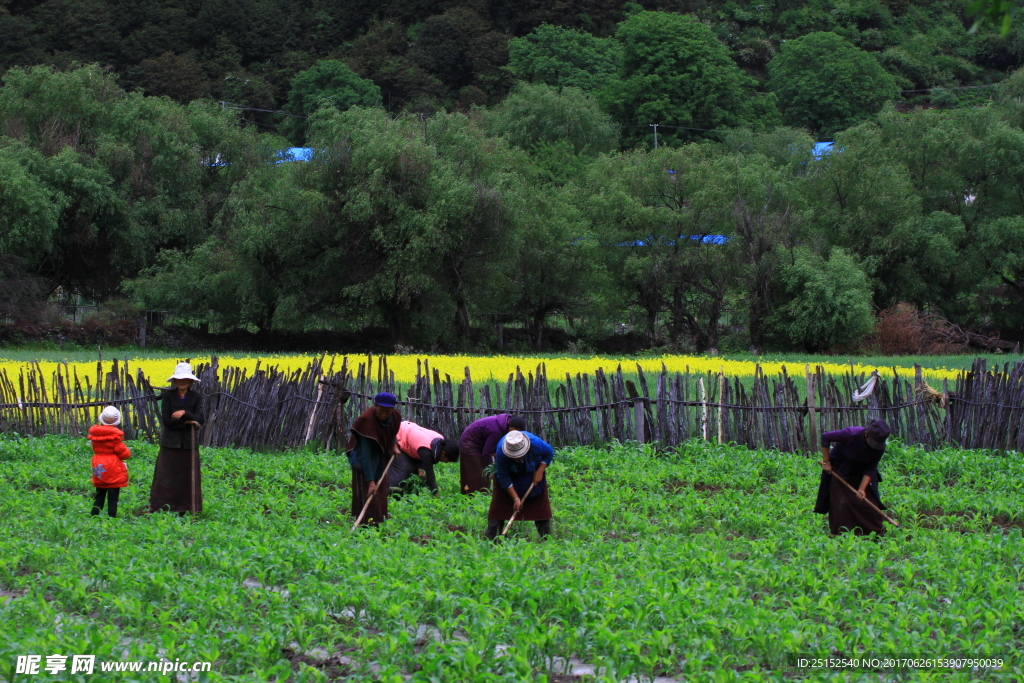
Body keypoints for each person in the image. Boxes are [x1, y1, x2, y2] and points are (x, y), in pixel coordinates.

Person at [815, 419, 892, 536]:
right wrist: (826, 462)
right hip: (840, 467)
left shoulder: (879, 447)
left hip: (861, 472)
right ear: (867, 434)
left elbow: (871, 468)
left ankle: (874, 533)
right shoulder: (852, 434)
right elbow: (826, 437)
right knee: (842, 502)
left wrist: (861, 489)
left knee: (869, 504)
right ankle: (841, 535)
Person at [149, 362, 205, 514]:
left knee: (187, 477)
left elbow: (200, 419)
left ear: (191, 381)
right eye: (179, 379)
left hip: (189, 444)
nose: (182, 381)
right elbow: (167, 421)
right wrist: (188, 422)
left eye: (186, 379)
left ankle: (185, 508)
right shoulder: (168, 396)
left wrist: (184, 413)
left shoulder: (196, 397)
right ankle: (161, 507)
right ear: (174, 381)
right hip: (170, 443)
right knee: (166, 475)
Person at [485, 430, 554, 541]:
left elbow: (549, 453)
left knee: (541, 509)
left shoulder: (535, 443)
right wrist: (515, 498)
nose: (517, 458)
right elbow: (503, 477)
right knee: (499, 507)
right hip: (511, 477)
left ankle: (546, 538)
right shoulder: (501, 451)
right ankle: (492, 539)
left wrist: (540, 471)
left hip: (532, 475)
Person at [346, 392, 401, 526]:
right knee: (367, 490)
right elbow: (366, 455)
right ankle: (365, 523)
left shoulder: (394, 416)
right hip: (362, 457)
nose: (383, 415)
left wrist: (394, 445)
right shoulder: (366, 421)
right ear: (375, 406)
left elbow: (392, 431)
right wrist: (370, 482)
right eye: (381, 411)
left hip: (380, 453)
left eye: (387, 412)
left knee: (381, 488)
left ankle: (379, 520)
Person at [458, 414, 527, 494]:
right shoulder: (496, 431)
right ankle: (476, 495)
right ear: (509, 424)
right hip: (470, 442)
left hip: (481, 443)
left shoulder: (505, 424)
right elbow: (487, 453)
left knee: (484, 471)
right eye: (512, 432)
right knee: (479, 472)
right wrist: (492, 472)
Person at [387, 420, 460, 495]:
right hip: (398, 434)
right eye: (447, 460)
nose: (446, 462)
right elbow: (430, 474)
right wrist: (435, 493)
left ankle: (408, 493)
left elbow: (418, 450)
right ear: (443, 453)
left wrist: (420, 470)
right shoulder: (427, 451)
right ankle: (391, 492)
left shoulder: (439, 440)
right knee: (404, 469)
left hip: (408, 432)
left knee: (414, 472)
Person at [89, 406, 131, 518]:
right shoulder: (115, 436)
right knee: (113, 492)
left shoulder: (95, 435)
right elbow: (123, 454)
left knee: (100, 492)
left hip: (98, 464)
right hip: (112, 465)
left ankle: (95, 514)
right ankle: (111, 516)